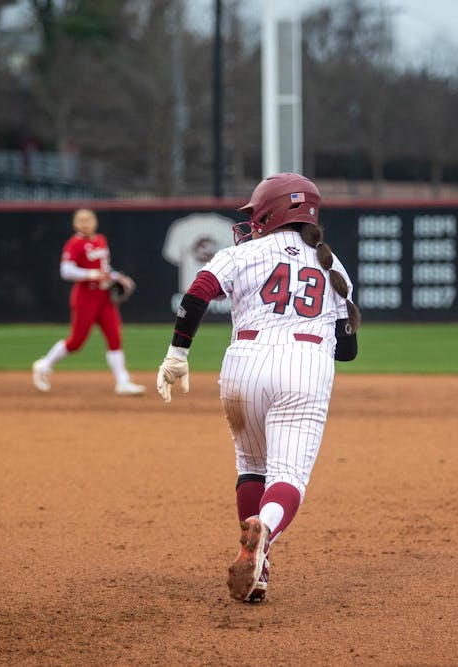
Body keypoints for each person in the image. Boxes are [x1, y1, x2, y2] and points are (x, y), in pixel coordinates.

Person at [155, 173, 360, 603]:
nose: (251, 220)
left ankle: (259, 566)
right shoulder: (333, 266)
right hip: (304, 367)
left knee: (251, 464)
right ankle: (264, 529)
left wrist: (178, 353)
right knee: (287, 477)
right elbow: (347, 350)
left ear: (273, 211)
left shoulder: (244, 253)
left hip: (243, 365)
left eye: (256, 212)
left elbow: (197, 293)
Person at [32, 208, 145, 396]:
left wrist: (118, 277)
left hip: (103, 297)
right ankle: (44, 365)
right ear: (75, 224)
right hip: (85, 296)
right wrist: (89, 274)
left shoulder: (100, 240)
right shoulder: (74, 244)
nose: (85, 223)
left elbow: (104, 268)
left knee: (114, 337)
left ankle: (123, 382)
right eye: (81, 220)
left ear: (95, 222)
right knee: (77, 341)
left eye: (88, 219)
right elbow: (65, 270)